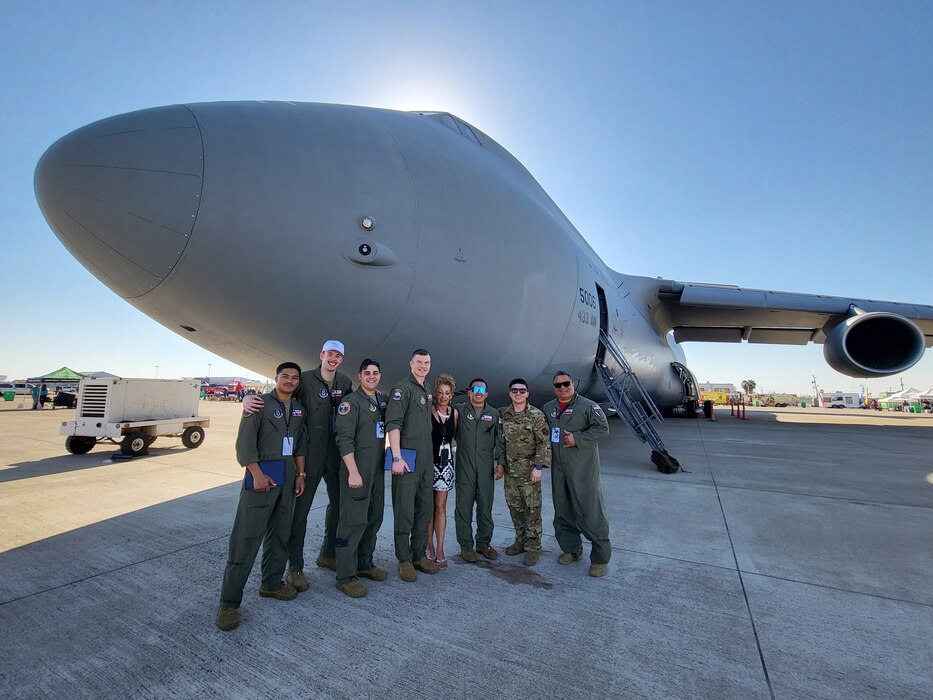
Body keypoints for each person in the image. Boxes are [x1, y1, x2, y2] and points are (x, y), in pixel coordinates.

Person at [243, 340, 353, 593]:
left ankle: (329, 554)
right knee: (299, 512)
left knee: (339, 505)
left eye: (338, 356)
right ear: (321, 355)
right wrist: (248, 398)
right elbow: (279, 396)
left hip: (335, 452)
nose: (333, 359)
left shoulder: (345, 383)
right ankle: (295, 567)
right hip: (308, 452)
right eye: (330, 354)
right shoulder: (303, 379)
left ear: (342, 359)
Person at [216, 362, 308, 631]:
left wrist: (301, 474)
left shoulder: (299, 409)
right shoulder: (257, 404)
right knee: (246, 539)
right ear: (276, 378)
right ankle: (229, 603)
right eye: (284, 377)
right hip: (261, 478)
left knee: (280, 534)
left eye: (294, 378)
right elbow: (244, 444)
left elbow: (300, 444)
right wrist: (255, 473)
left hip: (288, 479)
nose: (289, 381)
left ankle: (270, 583)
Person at [542, 371, 611, 577]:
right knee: (563, 510)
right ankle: (571, 550)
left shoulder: (588, 406)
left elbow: (603, 428)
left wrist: (578, 438)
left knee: (590, 511)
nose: (562, 388)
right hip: (559, 469)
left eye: (566, 384)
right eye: (558, 385)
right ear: (553, 388)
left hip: (583, 469)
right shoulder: (548, 408)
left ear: (573, 384)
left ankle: (600, 558)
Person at [333, 359, 390, 597]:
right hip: (356, 470)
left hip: (376, 470)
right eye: (367, 373)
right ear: (359, 376)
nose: (371, 376)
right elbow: (343, 439)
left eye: (375, 373)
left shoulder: (383, 401)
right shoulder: (350, 403)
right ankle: (345, 575)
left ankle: (364, 563)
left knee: (374, 517)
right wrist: (353, 472)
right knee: (352, 521)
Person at [385, 349, 439, 582]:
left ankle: (418, 554)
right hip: (406, 457)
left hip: (426, 458)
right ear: (411, 363)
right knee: (405, 508)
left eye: (426, 362)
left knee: (424, 507)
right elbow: (393, 424)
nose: (423, 366)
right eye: (419, 362)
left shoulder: (427, 388)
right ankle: (404, 559)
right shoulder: (402, 389)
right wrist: (396, 458)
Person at [499, 378, 550, 566]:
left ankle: (533, 547)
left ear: (527, 393)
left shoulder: (536, 415)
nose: (518, 394)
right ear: (510, 393)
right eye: (515, 391)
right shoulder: (504, 414)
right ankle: (520, 541)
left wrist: (538, 468)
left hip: (530, 474)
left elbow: (544, 443)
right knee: (515, 510)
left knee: (532, 511)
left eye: (522, 391)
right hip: (510, 473)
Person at [455, 378, 505, 563]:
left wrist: (500, 463)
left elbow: (499, 440)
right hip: (464, 466)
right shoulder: (459, 410)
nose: (478, 392)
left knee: (485, 507)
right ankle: (466, 546)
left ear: (486, 394)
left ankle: (484, 543)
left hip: (485, 468)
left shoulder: (493, 414)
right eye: (475, 389)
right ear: (469, 392)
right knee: (463, 508)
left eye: (482, 389)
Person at [426, 373, 458, 569]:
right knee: (428, 507)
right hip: (429, 463)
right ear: (435, 394)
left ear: (452, 395)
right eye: (440, 393)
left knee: (440, 507)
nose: (443, 396)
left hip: (445, 466)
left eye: (447, 393)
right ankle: (428, 545)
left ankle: (440, 548)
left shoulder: (455, 414)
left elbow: (460, 437)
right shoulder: (428, 411)